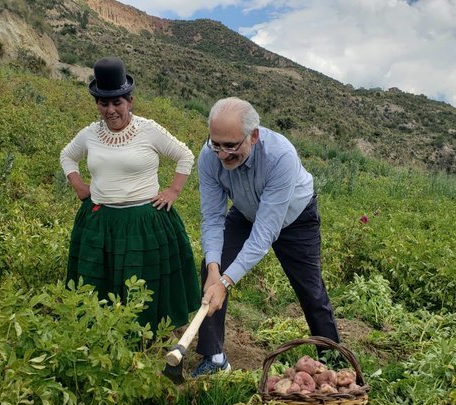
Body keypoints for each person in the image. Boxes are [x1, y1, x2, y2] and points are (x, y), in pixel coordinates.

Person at [192, 97, 340, 377]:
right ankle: (215, 358)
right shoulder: (209, 156)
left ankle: (336, 362)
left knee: (311, 291)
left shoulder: (280, 155)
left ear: (254, 136)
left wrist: (225, 282)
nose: (222, 154)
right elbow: (212, 217)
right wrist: (215, 271)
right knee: (213, 266)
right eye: (217, 144)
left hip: (295, 219)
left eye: (231, 146)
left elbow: (264, 234)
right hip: (246, 212)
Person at [60, 56, 200, 333]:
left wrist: (173, 191)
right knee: (103, 278)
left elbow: (185, 155)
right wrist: (78, 185)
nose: (110, 110)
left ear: (130, 101)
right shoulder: (89, 134)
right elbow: (67, 155)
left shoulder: (148, 130)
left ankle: (147, 334)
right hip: (100, 221)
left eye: (117, 102)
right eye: (103, 103)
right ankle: (103, 332)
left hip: (144, 221)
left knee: (144, 280)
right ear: (97, 104)